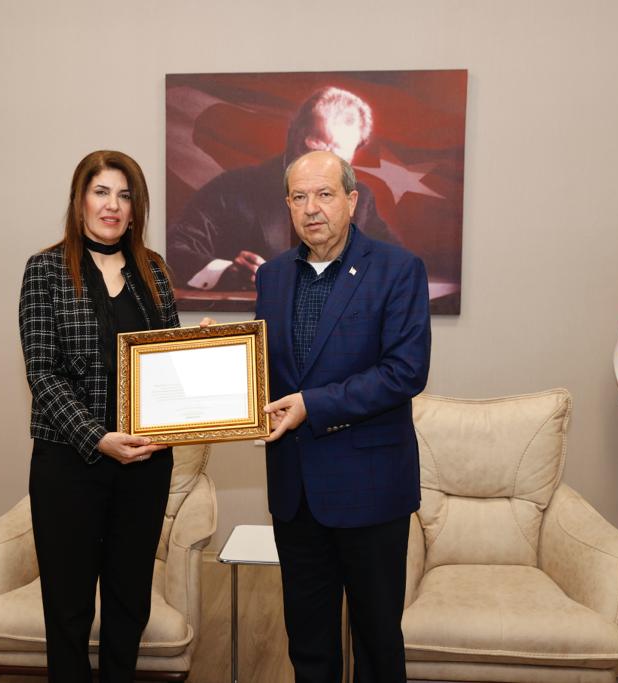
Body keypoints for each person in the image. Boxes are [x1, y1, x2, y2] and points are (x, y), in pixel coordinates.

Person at [255, 150, 431, 682]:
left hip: (370, 489)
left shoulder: (398, 269)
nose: (312, 208)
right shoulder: (271, 276)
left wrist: (313, 405)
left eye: (325, 194)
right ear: (288, 205)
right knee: (308, 646)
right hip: (295, 493)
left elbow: (404, 372)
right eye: (299, 197)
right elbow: (266, 372)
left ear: (352, 201)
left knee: (377, 644)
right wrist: (218, 355)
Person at [19, 150, 178, 682]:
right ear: (79, 200)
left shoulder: (155, 271)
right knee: (68, 606)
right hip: (70, 464)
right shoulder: (45, 270)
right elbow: (42, 374)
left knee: (129, 600)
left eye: (124, 195)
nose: (113, 205)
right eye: (101, 192)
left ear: (136, 209)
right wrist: (98, 438)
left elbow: (169, 363)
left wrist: (202, 350)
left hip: (145, 465)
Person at [168, 86, 398, 293]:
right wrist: (228, 272)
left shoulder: (360, 199)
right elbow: (174, 250)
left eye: (337, 156)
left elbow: (396, 263)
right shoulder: (230, 189)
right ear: (294, 133)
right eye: (314, 145)